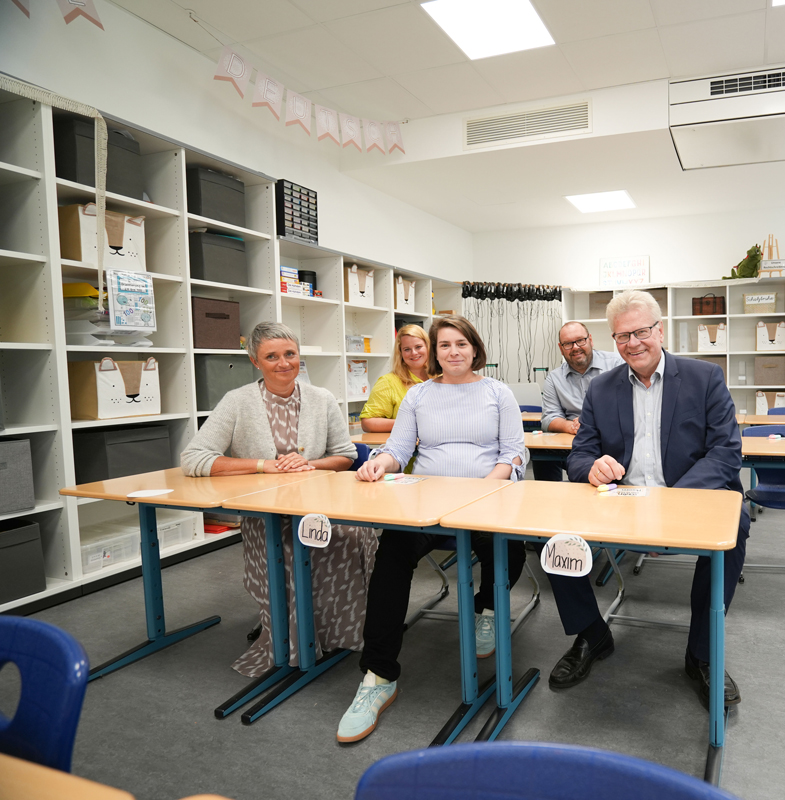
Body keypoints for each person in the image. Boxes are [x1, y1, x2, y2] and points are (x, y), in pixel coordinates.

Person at [547, 290, 750, 706]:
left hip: (689, 496)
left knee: (736, 528)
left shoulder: (704, 377)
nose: (632, 343)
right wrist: (593, 468)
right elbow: (580, 455)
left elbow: (727, 453)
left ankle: (702, 653)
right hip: (621, 499)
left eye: (641, 331)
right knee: (553, 535)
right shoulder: (601, 389)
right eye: (622, 336)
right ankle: (592, 633)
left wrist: (670, 504)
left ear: (660, 330)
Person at [338, 314, 527, 743]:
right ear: (434, 352)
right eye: (445, 346)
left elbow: (515, 454)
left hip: (486, 499)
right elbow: (398, 448)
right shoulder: (419, 395)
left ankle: (488, 609)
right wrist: (378, 465)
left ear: (475, 348)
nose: (454, 352)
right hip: (425, 503)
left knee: (511, 549)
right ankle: (378, 675)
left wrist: (481, 490)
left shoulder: (498, 393)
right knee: (389, 558)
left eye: (461, 344)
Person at [180, 322, 376, 678]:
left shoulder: (322, 399)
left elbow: (346, 454)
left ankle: (342, 633)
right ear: (256, 361)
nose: (284, 363)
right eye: (272, 356)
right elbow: (194, 458)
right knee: (287, 551)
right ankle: (296, 639)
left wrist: (309, 462)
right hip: (267, 515)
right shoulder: (237, 402)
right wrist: (262, 465)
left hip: (321, 509)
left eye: (290, 354)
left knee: (357, 535)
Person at [533, 321, 623, 481]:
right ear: (561, 348)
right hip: (575, 444)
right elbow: (548, 419)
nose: (575, 347)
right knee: (541, 454)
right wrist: (571, 426)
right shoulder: (554, 379)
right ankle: (548, 499)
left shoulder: (617, 364)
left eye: (580, 340)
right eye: (568, 344)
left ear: (590, 340)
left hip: (612, 440)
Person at [359, 323, 429, 433]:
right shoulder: (388, 382)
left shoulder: (443, 377)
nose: (414, 353)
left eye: (418, 347)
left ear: (428, 347)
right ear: (400, 352)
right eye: (407, 349)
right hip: (409, 447)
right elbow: (368, 423)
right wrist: (410, 423)